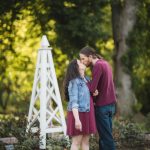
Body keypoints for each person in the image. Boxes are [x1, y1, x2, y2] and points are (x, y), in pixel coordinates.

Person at [79, 46, 116, 150]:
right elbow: (96, 87)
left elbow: (91, 89)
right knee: (104, 137)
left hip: (102, 107)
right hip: (111, 106)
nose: (82, 62)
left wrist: (83, 77)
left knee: (106, 138)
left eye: (83, 59)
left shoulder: (98, 66)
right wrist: (94, 88)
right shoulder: (105, 63)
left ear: (90, 56)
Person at [64, 59, 97, 150]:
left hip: (88, 113)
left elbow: (89, 97)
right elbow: (74, 102)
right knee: (76, 143)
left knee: (86, 142)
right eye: (80, 62)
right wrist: (77, 120)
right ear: (77, 67)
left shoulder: (87, 79)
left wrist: (95, 93)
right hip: (78, 114)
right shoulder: (74, 82)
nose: (83, 62)